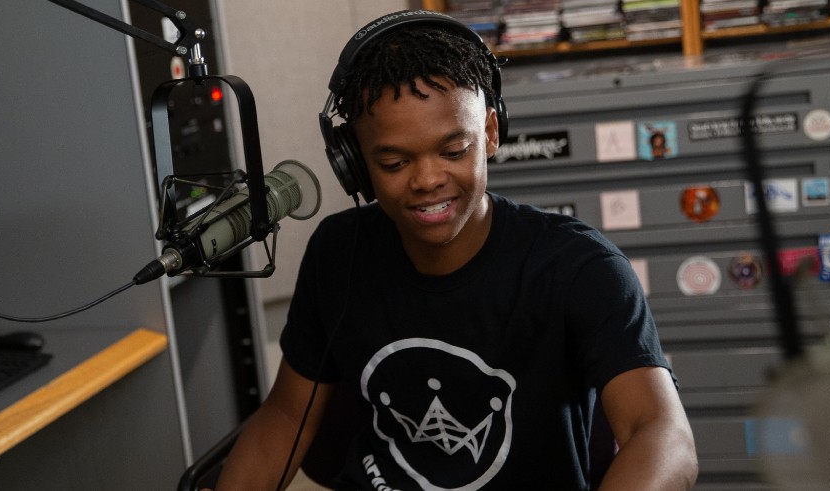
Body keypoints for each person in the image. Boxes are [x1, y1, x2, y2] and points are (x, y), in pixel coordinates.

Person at [212, 10, 696, 490]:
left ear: (489, 132)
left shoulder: (579, 268)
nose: (427, 180)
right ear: (355, 163)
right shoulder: (337, 251)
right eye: (394, 161)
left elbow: (661, 434)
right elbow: (284, 415)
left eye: (452, 151)